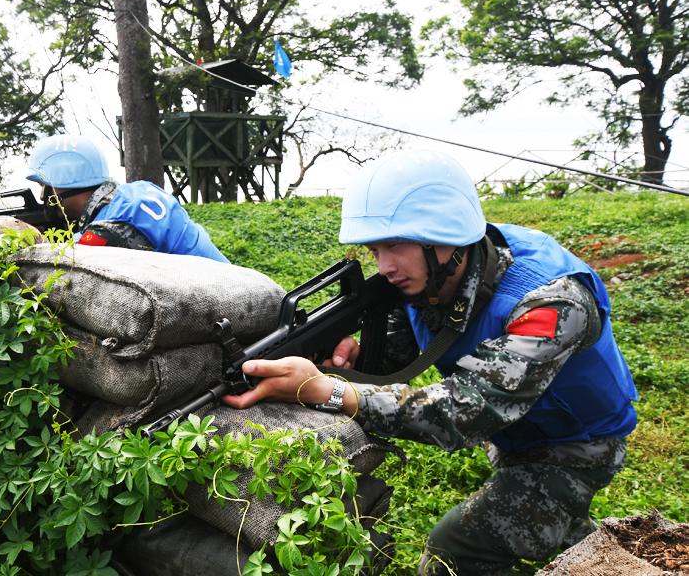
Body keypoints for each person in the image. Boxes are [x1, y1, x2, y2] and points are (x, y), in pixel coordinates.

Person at [222, 150, 637, 575]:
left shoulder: (552, 303)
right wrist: (356, 359)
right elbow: (404, 355)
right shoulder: (429, 279)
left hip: (577, 446)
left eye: (395, 245)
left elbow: (466, 412)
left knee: (453, 553)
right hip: (517, 435)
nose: (384, 268)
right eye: (374, 249)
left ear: (447, 237)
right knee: (553, 531)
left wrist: (328, 391)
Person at [25, 134, 229, 263]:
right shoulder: (136, 193)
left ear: (63, 180)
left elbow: (67, 264)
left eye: (43, 185)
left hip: (217, 312)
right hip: (225, 286)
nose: (42, 195)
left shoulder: (110, 227)